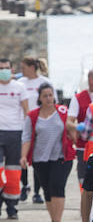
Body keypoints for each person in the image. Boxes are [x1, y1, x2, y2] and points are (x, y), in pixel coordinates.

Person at [20, 84, 77, 222]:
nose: (48, 98)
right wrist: (23, 156)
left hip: (61, 157)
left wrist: (75, 138)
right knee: (47, 190)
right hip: (40, 159)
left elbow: (72, 128)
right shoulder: (32, 116)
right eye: (45, 96)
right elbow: (26, 137)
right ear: (39, 98)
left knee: (57, 186)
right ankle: (53, 220)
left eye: (50, 95)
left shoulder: (63, 111)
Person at [18, 56, 55, 203]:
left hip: (41, 126)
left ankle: (37, 192)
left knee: (37, 160)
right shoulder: (20, 83)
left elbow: (52, 103)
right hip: (23, 125)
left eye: (23, 68)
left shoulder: (45, 83)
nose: (21, 71)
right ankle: (24, 185)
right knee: (23, 158)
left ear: (32, 68)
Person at [0, 58, 29, 220]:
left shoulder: (19, 87)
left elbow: (26, 111)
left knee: (13, 173)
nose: (3, 70)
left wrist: (26, 135)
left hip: (15, 133)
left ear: (11, 69)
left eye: (6, 68)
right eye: (0, 68)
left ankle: (12, 207)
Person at [68, 67, 93, 185]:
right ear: (91, 80)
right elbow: (69, 122)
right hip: (84, 147)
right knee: (84, 181)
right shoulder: (78, 98)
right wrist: (77, 127)